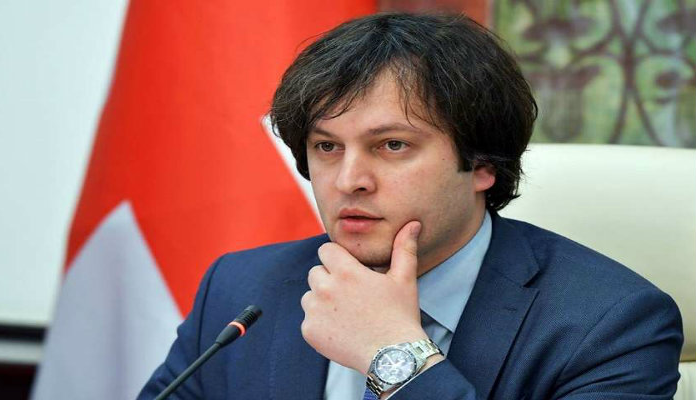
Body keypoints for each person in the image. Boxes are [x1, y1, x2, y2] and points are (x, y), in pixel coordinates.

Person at [139, 13, 683, 399]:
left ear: (483, 164)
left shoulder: (609, 324)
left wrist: (392, 355)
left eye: (392, 145)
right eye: (327, 147)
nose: (349, 181)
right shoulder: (242, 288)